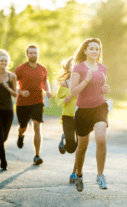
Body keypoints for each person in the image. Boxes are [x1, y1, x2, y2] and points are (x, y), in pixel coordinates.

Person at [70, 38, 110, 192]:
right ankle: (78, 174)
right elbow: (73, 92)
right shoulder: (78, 68)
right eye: (92, 49)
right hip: (83, 110)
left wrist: (105, 89)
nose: (95, 52)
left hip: (100, 107)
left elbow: (100, 88)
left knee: (101, 139)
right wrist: (87, 78)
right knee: (82, 147)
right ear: (85, 51)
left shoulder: (103, 68)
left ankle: (100, 175)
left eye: (97, 49)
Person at [14, 44, 52, 165]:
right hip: (22, 103)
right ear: (27, 54)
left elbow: (45, 81)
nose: (33, 55)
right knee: (23, 127)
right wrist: (20, 91)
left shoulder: (42, 69)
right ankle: (20, 135)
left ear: (38, 54)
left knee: (37, 126)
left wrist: (49, 90)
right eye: (31, 53)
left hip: (37, 101)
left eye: (35, 53)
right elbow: (12, 82)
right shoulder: (21, 68)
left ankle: (37, 155)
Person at [55, 56, 78, 184]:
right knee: (71, 148)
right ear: (68, 68)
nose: (74, 67)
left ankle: (75, 173)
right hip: (68, 117)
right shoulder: (65, 84)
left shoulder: (85, 82)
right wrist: (64, 100)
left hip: (83, 116)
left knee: (81, 146)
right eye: (72, 65)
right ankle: (65, 139)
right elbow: (57, 100)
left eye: (77, 64)